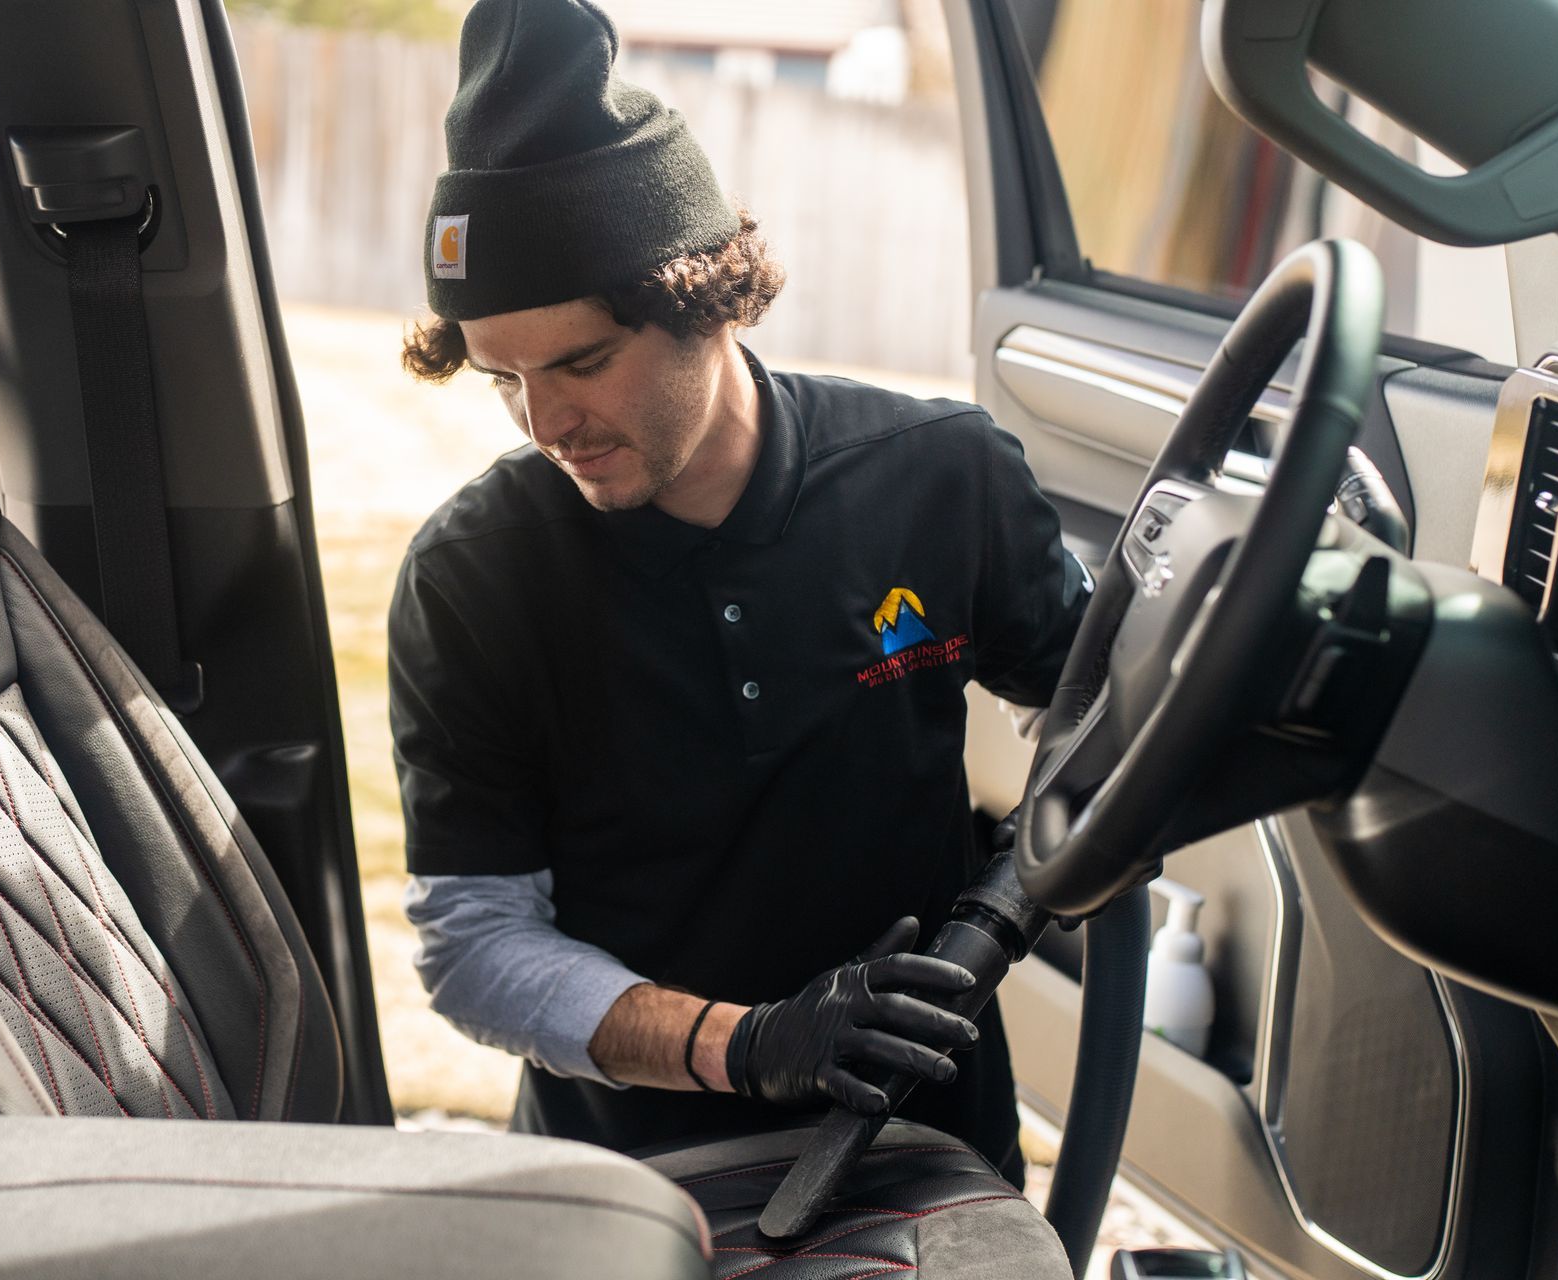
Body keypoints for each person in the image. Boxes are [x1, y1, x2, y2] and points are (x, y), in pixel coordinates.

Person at [388, 0, 1088, 1185]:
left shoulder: (940, 476)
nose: (546, 422)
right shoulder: (474, 576)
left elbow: (1101, 712)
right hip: (626, 1175)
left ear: (705, 294)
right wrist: (749, 1044)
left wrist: (1056, 853)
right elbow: (475, 944)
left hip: (922, 1146)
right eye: (504, 377)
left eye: (582, 362)